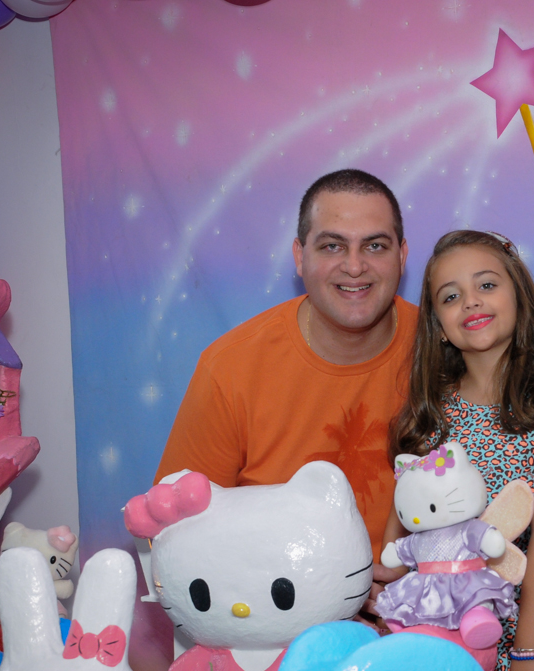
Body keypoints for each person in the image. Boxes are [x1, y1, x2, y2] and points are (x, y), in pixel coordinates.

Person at [384, 230, 534, 671]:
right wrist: (381, 598)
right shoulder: (430, 414)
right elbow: (401, 540)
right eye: (450, 296)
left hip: (524, 629)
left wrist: (530, 654)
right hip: (436, 634)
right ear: (438, 324)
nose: (470, 302)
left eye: (486, 285)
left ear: (517, 292)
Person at [156, 168, 416, 559]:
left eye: (375, 246)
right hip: (272, 595)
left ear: (402, 256)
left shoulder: (446, 349)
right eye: (332, 246)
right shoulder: (230, 368)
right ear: (299, 256)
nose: (354, 266)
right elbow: (172, 534)